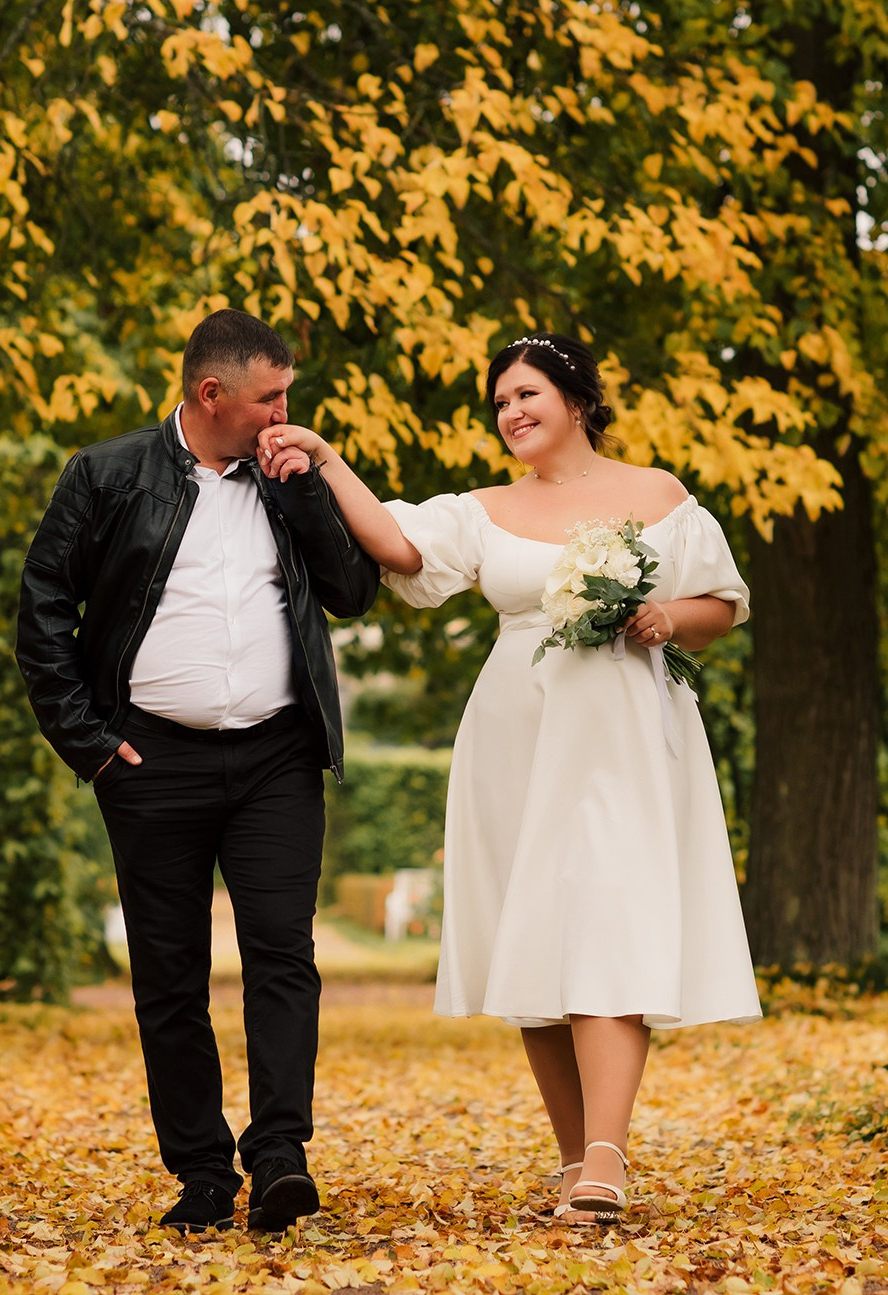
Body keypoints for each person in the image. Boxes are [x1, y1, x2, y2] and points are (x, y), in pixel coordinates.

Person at [259, 332, 759, 1225]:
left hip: (623, 737)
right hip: (515, 739)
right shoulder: (483, 509)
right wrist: (327, 459)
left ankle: (606, 1159)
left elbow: (721, 603)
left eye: (527, 393)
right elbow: (396, 547)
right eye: (500, 402)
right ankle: (575, 1163)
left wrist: (663, 616)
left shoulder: (660, 495)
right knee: (534, 935)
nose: (512, 412)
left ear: (577, 398)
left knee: (608, 924)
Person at [15, 309, 380, 1234]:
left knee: (282, 956)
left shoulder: (288, 476)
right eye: (271, 399)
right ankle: (203, 1174)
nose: (285, 413)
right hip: (150, 760)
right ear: (211, 394)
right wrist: (90, 742)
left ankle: (281, 1155)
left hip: (277, 757)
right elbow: (43, 608)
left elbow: (353, 590)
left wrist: (308, 490)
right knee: (169, 975)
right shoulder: (107, 475)